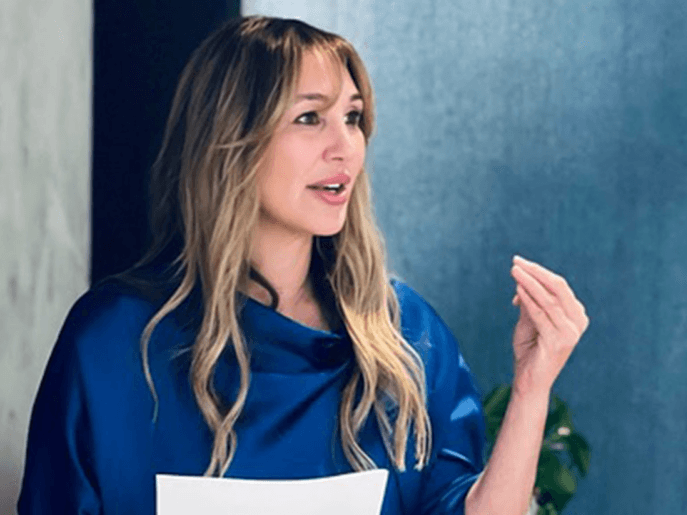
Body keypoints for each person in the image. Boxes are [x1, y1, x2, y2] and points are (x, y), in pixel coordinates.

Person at [17, 15, 588, 515]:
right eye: (310, 118)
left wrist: (533, 386)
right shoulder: (114, 338)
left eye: (353, 116)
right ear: (231, 139)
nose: (346, 146)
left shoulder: (407, 334)